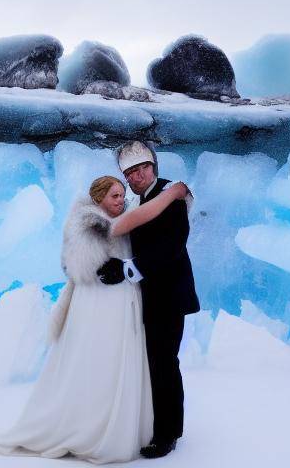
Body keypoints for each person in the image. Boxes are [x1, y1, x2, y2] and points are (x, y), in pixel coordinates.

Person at [0, 175, 189, 465]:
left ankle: (141, 427)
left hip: (124, 304)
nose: (120, 200)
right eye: (113, 196)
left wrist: (173, 192)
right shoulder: (92, 222)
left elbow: (147, 230)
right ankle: (94, 425)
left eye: (121, 195)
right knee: (100, 362)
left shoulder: (121, 217)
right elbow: (81, 265)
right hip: (98, 306)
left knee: (130, 362)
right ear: (98, 198)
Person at [98, 140, 200, 459]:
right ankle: (170, 427)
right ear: (126, 177)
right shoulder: (140, 200)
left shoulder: (170, 195)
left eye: (143, 168)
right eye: (132, 172)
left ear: (153, 168)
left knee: (163, 362)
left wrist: (129, 269)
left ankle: (166, 435)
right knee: (159, 362)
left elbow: (172, 246)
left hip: (169, 295)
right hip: (153, 296)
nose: (139, 175)